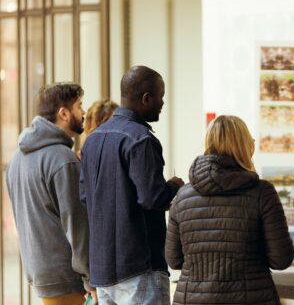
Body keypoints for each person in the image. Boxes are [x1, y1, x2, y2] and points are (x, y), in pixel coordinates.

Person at [80, 66, 184, 304]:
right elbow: (153, 198)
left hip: (102, 270)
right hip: (139, 267)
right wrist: (175, 185)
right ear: (146, 99)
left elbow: (85, 197)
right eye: (160, 96)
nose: (162, 103)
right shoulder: (142, 140)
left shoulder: (92, 140)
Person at [165, 115, 294, 305]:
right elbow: (281, 260)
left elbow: (174, 260)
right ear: (245, 146)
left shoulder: (183, 196)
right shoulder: (262, 193)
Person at [6, 82, 95, 304]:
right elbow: (76, 224)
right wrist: (91, 278)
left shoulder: (17, 159)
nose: (83, 112)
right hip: (66, 276)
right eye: (79, 106)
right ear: (63, 113)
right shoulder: (62, 159)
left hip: (39, 273)